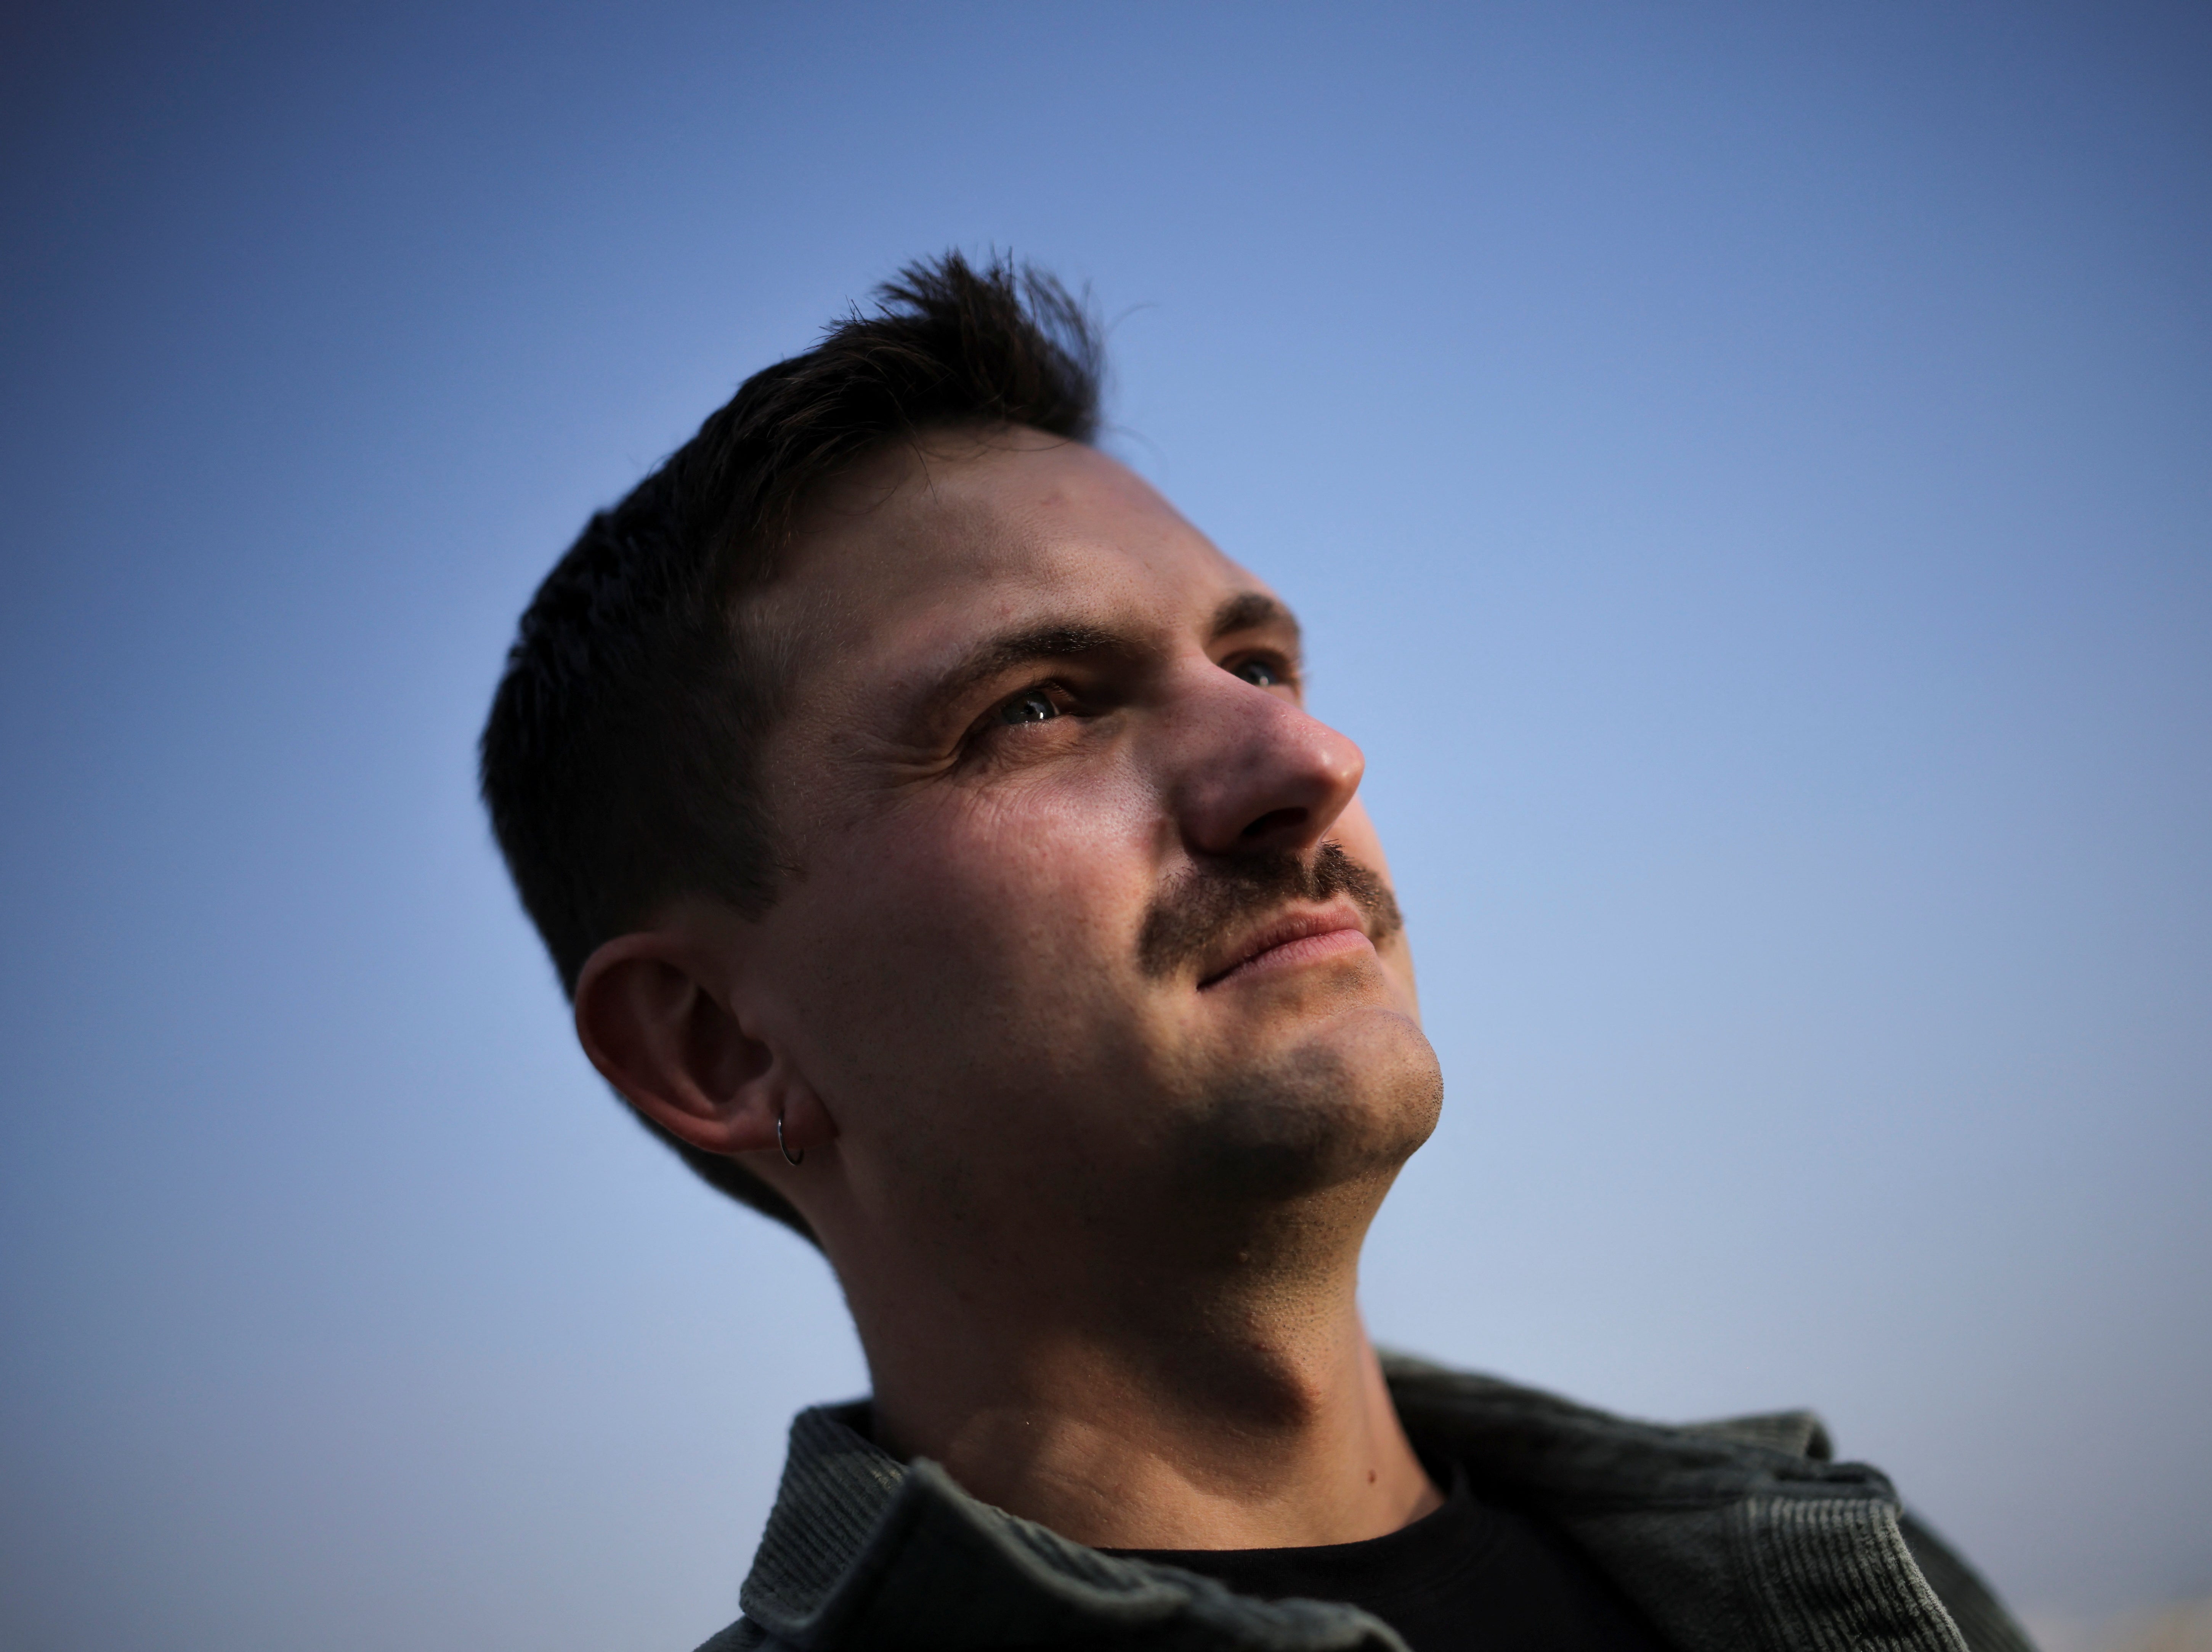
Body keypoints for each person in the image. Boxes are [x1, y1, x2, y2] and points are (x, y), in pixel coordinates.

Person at [480, 255, 2035, 1652]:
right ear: (718, 1045)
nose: (1308, 759)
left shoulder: (1863, 1594)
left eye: (1260, 664)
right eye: (1035, 706)